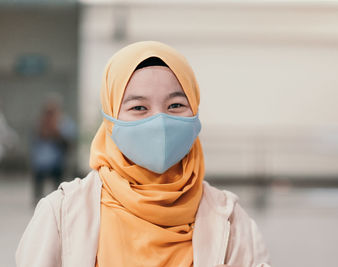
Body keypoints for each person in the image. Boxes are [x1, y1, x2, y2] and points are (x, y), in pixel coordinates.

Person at [16, 41, 270, 267]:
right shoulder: (61, 215)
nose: (159, 121)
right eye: (139, 107)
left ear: (195, 112)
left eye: (176, 105)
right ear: (111, 119)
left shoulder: (232, 222)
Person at [30, 97, 76, 205]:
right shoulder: (40, 123)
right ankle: (38, 198)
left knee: (58, 184)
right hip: (41, 162)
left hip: (57, 161)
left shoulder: (65, 123)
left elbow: (69, 143)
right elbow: (34, 142)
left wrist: (56, 132)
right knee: (38, 179)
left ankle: (59, 200)